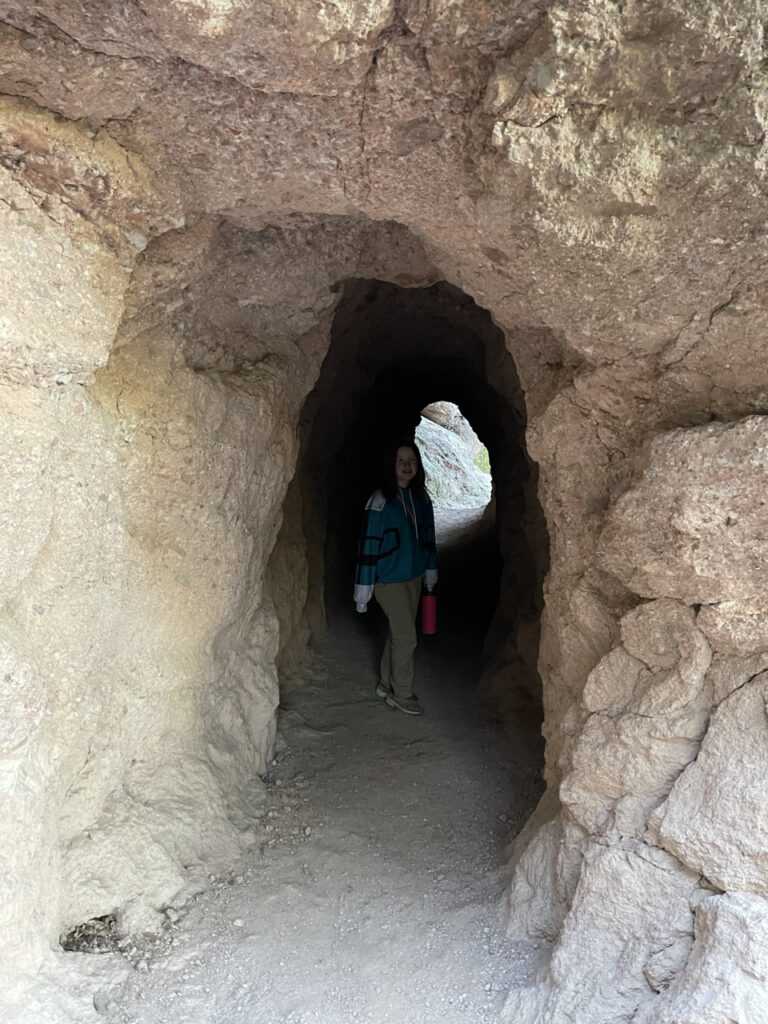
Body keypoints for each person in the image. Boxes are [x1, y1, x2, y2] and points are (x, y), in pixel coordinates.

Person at [353, 439, 438, 716]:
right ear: (391, 465)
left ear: (418, 465)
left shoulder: (422, 499)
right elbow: (368, 544)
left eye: (411, 460)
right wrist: (363, 585)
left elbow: (428, 539)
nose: (406, 465)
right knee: (407, 636)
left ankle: (385, 683)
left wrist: (429, 569)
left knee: (397, 632)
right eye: (400, 460)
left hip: (412, 578)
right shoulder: (380, 502)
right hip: (387, 580)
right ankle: (402, 694)